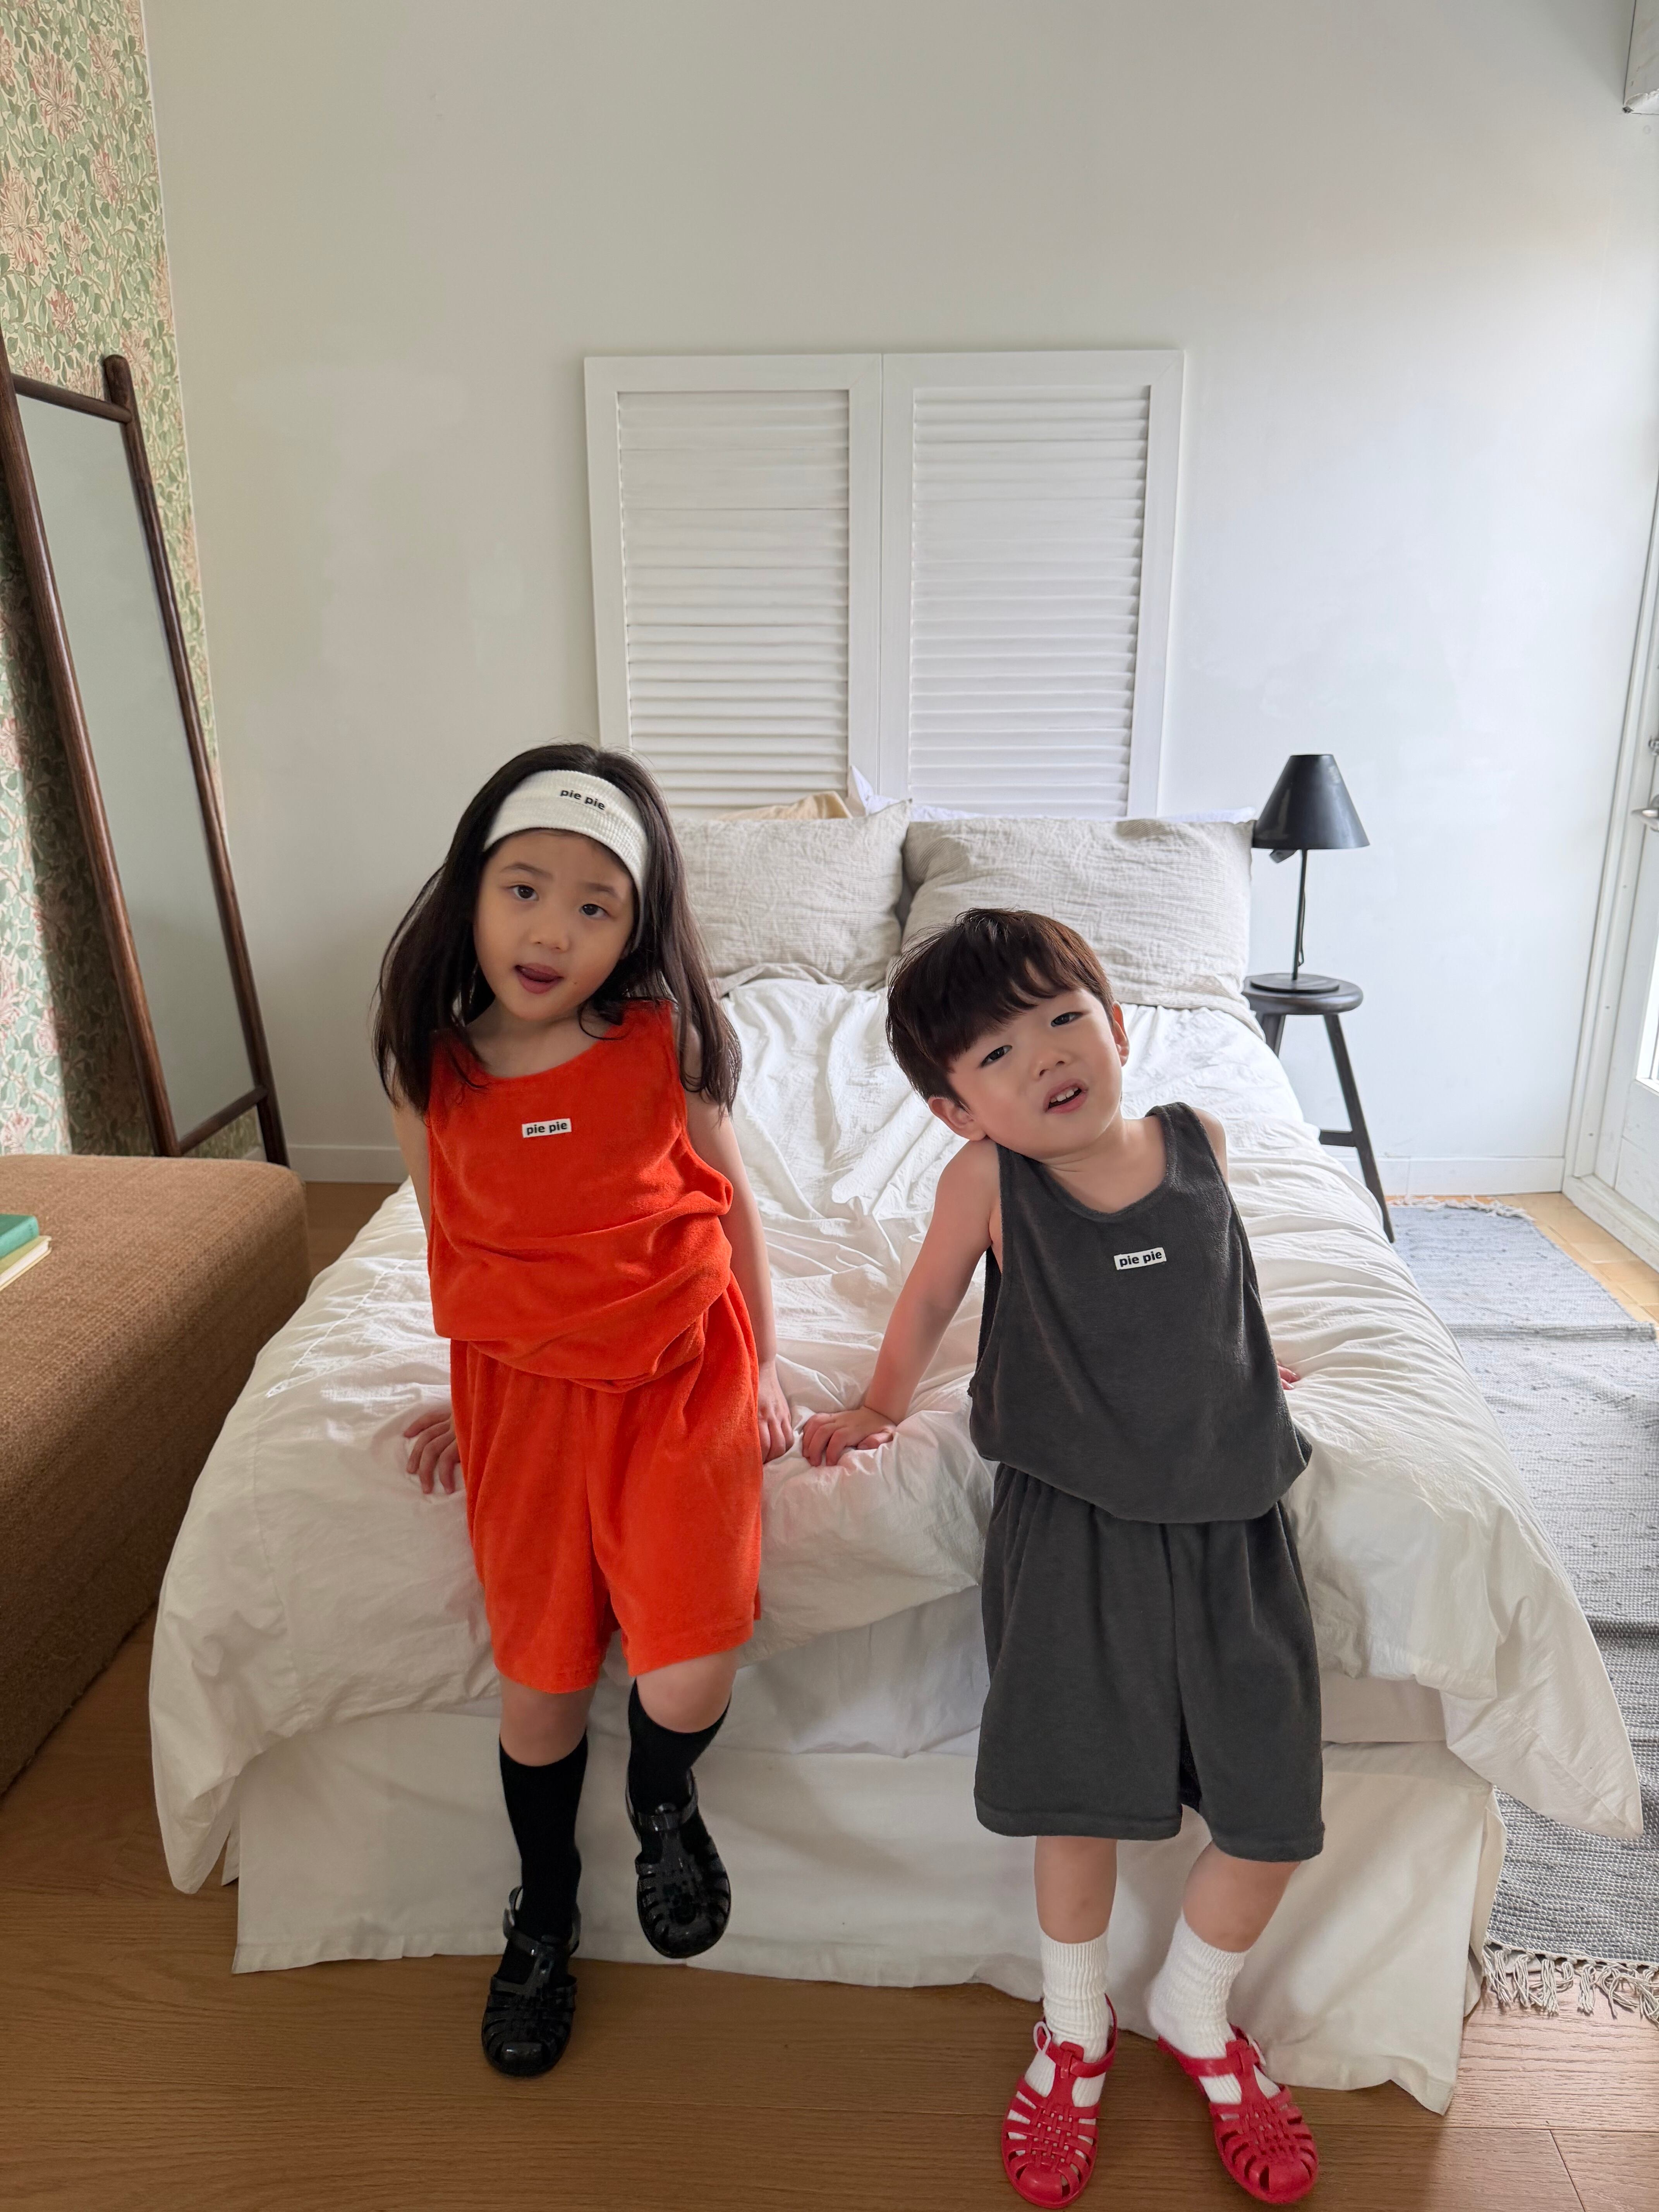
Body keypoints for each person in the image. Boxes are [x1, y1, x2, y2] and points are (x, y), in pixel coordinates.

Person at [802, 908, 1322, 2208]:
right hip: (1073, 1529)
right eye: (995, 1053)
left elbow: (1223, 1278)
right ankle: (1074, 2031)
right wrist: (876, 1404)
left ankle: (1194, 2009)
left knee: (1270, 1812)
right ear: (952, 1110)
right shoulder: (988, 1184)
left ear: (1116, 1023)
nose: (1042, 1056)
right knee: (1076, 1800)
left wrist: (1252, 1368)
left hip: (1233, 1524)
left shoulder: (1197, 1139)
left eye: (1060, 1017)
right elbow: (929, 1299)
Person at [374, 743, 792, 2079]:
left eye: (595, 906)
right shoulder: (430, 1070)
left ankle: (662, 1797)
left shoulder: (666, 1045)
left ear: (636, 927)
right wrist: (470, 1392)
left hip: (678, 1377)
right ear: (471, 891)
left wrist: (767, 1364)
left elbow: (732, 1204)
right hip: (525, 1400)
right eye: (524, 890)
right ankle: (544, 1914)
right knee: (541, 1694)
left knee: (690, 1670)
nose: (551, 932)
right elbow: (452, 1240)